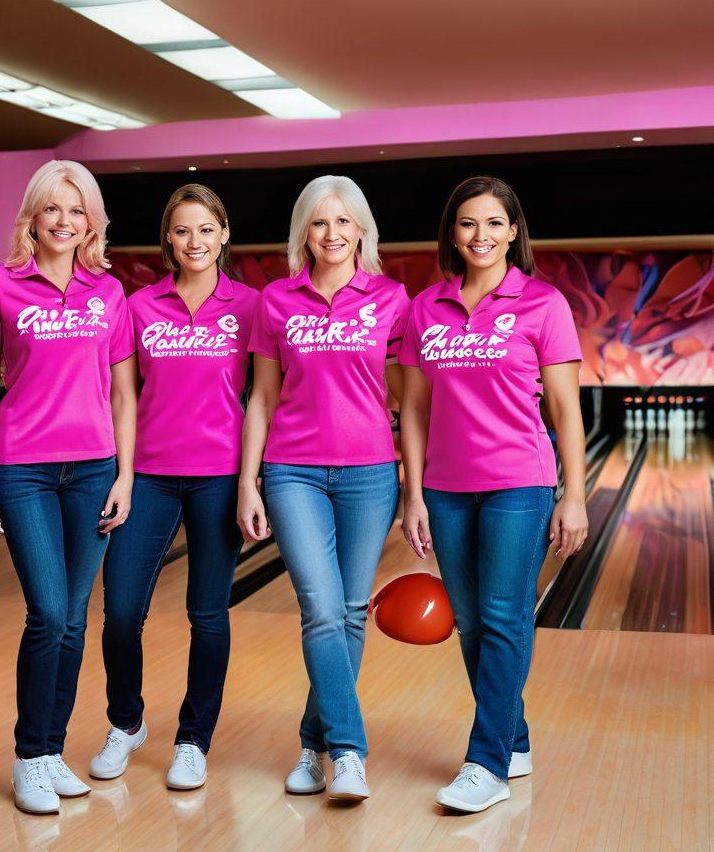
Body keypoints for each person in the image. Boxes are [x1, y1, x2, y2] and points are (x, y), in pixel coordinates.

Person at [399, 176, 587, 813]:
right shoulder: (427, 308)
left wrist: (575, 495)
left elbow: (565, 409)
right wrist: (414, 493)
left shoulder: (543, 304)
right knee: (474, 625)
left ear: (514, 231)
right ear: (452, 233)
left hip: (520, 482)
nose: (480, 236)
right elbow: (415, 410)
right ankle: (517, 738)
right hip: (447, 489)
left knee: (504, 619)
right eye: (467, 224)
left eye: (493, 223)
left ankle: (487, 763)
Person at [0, 160, 138, 814]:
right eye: (52, 209)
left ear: (91, 220)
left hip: (94, 468)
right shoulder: (0, 287)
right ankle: (30, 755)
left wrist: (125, 472)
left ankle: (53, 749)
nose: (64, 221)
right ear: (31, 217)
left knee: (73, 620)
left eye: (76, 210)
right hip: (25, 469)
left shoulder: (108, 294)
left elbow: (124, 392)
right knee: (49, 613)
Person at [239, 176, 410, 801]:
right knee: (319, 607)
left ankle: (312, 748)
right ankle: (349, 751)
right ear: (303, 233)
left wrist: (414, 484)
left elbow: (407, 399)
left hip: (368, 471)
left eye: (343, 222)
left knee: (349, 613)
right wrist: (247, 483)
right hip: (293, 471)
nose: (332, 234)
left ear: (361, 230)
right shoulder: (275, 301)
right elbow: (260, 397)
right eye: (319, 223)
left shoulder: (391, 299)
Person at [89, 184, 259, 790]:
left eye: (206, 230)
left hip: (219, 476)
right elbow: (122, 395)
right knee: (120, 613)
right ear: (169, 239)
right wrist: (123, 475)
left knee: (207, 614)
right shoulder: (140, 307)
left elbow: (266, 398)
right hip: (151, 477)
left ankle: (193, 738)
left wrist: (253, 482)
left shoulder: (251, 307)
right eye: (183, 231)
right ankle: (126, 721)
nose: (195, 242)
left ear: (224, 235)